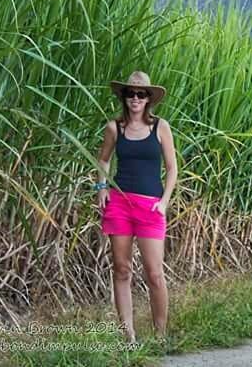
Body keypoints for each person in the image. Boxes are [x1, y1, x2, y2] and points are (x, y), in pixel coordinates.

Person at [93, 71, 177, 343]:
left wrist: (164, 202)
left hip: (150, 207)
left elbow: (173, 167)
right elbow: (103, 161)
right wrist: (101, 187)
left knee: (154, 273)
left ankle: (160, 336)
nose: (136, 99)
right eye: (131, 94)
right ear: (124, 97)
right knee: (121, 269)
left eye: (141, 94)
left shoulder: (160, 127)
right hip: (120, 204)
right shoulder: (114, 128)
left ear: (149, 98)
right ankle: (128, 335)